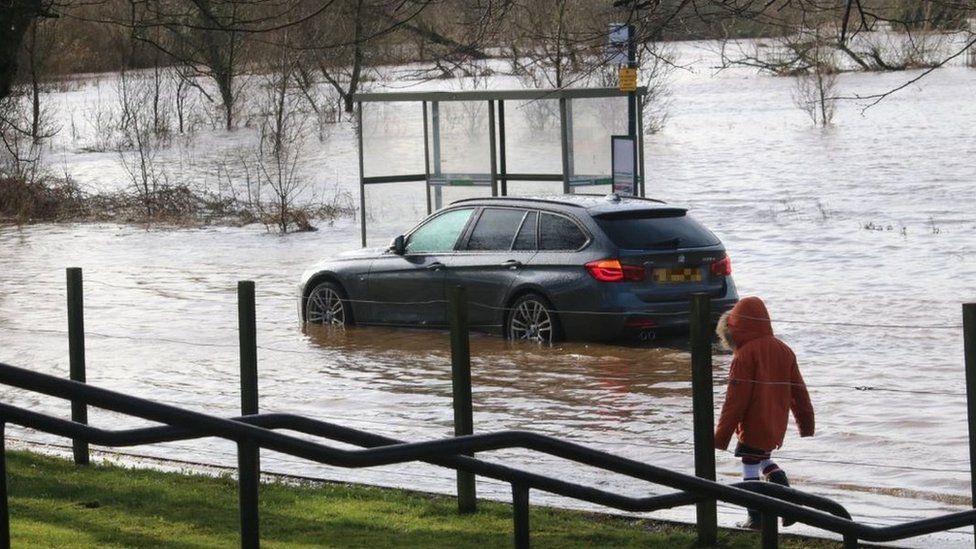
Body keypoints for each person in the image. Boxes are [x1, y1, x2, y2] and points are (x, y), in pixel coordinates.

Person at [714, 296, 815, 530]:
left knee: (750, 463)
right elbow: (799, 392)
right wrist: (806, 423)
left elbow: (735, 401)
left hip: (753, 423)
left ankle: (756, 517)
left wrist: (721, 435)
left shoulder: (745, 355)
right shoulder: (783, 349)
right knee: (764, 460)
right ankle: (789, 503)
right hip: (776, 421)